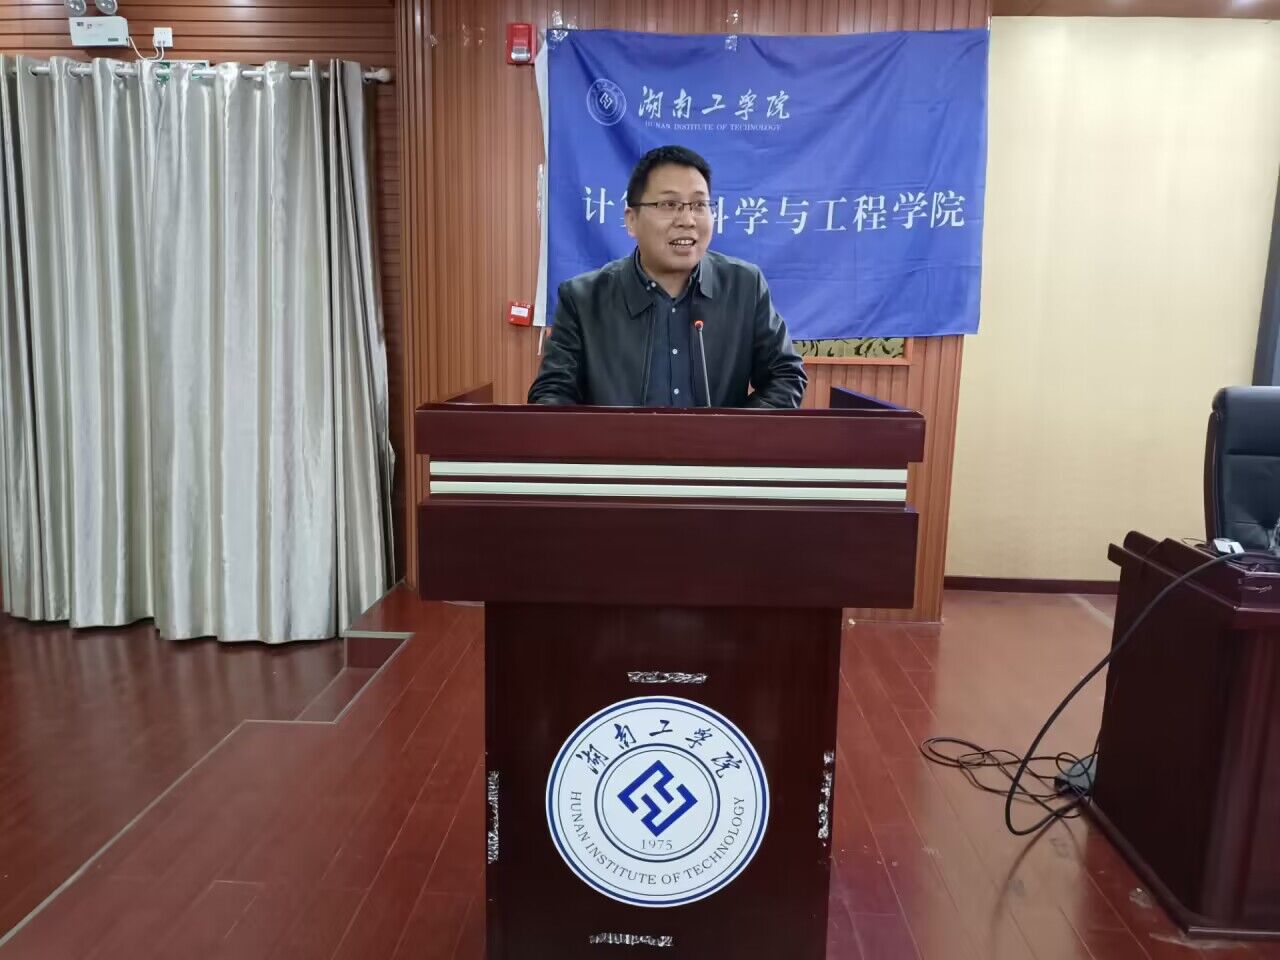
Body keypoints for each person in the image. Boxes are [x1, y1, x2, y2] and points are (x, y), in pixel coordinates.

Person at [527, 145, 807, 408]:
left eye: (699, 205)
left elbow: (786, 375)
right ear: (631, 220)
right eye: (669, 204)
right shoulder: (583, 300)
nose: (687, 220)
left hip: (719, 447)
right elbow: (552, 393)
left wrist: (733, 433)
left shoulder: (744, 287)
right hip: (616, 447)